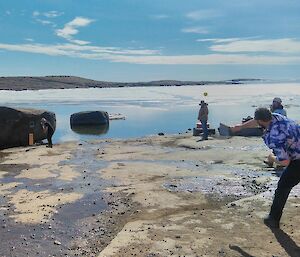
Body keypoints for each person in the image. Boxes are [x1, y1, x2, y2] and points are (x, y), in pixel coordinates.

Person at [232, 108, 300, 228]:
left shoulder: (273, 136)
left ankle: (273, 220)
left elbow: (285, 162)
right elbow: (256, 121)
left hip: (297, 161)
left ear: (260, 121)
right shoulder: (276, 116)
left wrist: (272, 158)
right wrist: (241, 126)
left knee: (282, 188)